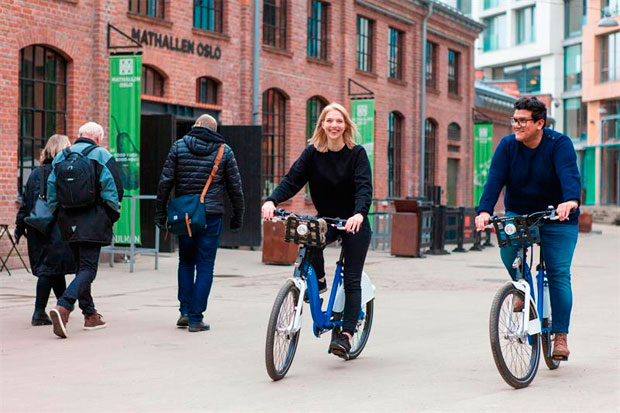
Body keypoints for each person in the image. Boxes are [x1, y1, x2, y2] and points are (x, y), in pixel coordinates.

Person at [261, 102, 372, 359]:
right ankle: (319, 282)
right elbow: (292, 180)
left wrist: (358, 213)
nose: (334, 125)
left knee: (352, 279)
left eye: (339, 121)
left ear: (346, 125)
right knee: (309, 239)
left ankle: (345, 335)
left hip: (353, 222)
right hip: (327, 220)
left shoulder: (357, 154)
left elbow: (364, 187)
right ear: (322, 124)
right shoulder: (312, 153)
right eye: (329, 120)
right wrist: (272, 200)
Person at [474, 97, 581, 360]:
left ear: (540, 123)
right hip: (520, 214)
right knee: (509, 254)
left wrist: (570, 201)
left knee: (558, 273)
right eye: (515, 120)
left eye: (522, 121)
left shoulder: (559, 144)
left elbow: (570, 175)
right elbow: (495, 179)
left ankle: (560, 336)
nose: (516, 125)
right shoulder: (508, 146)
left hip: (558, 216)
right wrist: (484, 210)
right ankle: (523, 289)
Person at [155, 114, 244, 332]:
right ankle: (196, 318)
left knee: (186, 261)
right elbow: (235, 187)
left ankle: (184, 311)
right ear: (214, 130)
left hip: (185, 216)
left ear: (196, 126)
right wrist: (237, 216)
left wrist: (160, 212)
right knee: (205, 264)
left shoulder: (179, 146)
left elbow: (165, 182)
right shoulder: (224, 151)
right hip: (211, 215)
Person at [46, 122, 124, 339]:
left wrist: (59, 214)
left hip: (67, 220)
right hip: (94, 219)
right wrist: (110, 216)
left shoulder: (62, 156)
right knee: (89, 269)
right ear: (98, 138)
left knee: (82, 267)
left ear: (79, 135)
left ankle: (90, 316)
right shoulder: (102, 155)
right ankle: (64, 307)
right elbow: (115, 191)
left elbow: (51, 190)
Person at [15, 135, 76, 326]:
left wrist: (19, 226)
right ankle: (40, 311)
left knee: (52, 269)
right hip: (57, 227)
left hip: (36, 227)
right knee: (49, 271)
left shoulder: (35, 174)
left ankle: (63, 307)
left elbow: (25, 203)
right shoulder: (63, 171)